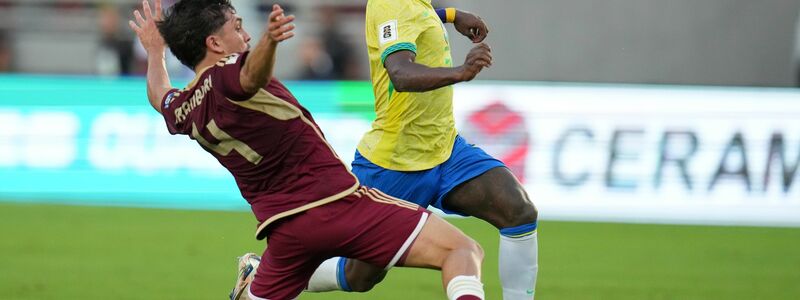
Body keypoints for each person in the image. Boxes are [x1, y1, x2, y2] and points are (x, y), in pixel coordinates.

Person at [128, 0, 486, 299]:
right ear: (215, 44)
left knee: (355, 277)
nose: (246, 34)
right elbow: (249, 77)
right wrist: (269, 41)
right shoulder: (230, 73)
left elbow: (160, 95)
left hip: (285, 235)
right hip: (340, 205)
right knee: (463, 250)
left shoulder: (185, 107)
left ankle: (255, 275)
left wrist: (155, 51)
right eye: (237, 27)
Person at [305, 1, 540, 300]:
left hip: (446, 149)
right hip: (395, 164)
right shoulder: (392, 3)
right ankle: (265, 276)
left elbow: (412, 19)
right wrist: (461, 72)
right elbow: (400, 74)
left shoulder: (413, 3)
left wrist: (451, 16)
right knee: (360, 276)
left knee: (518, 211)